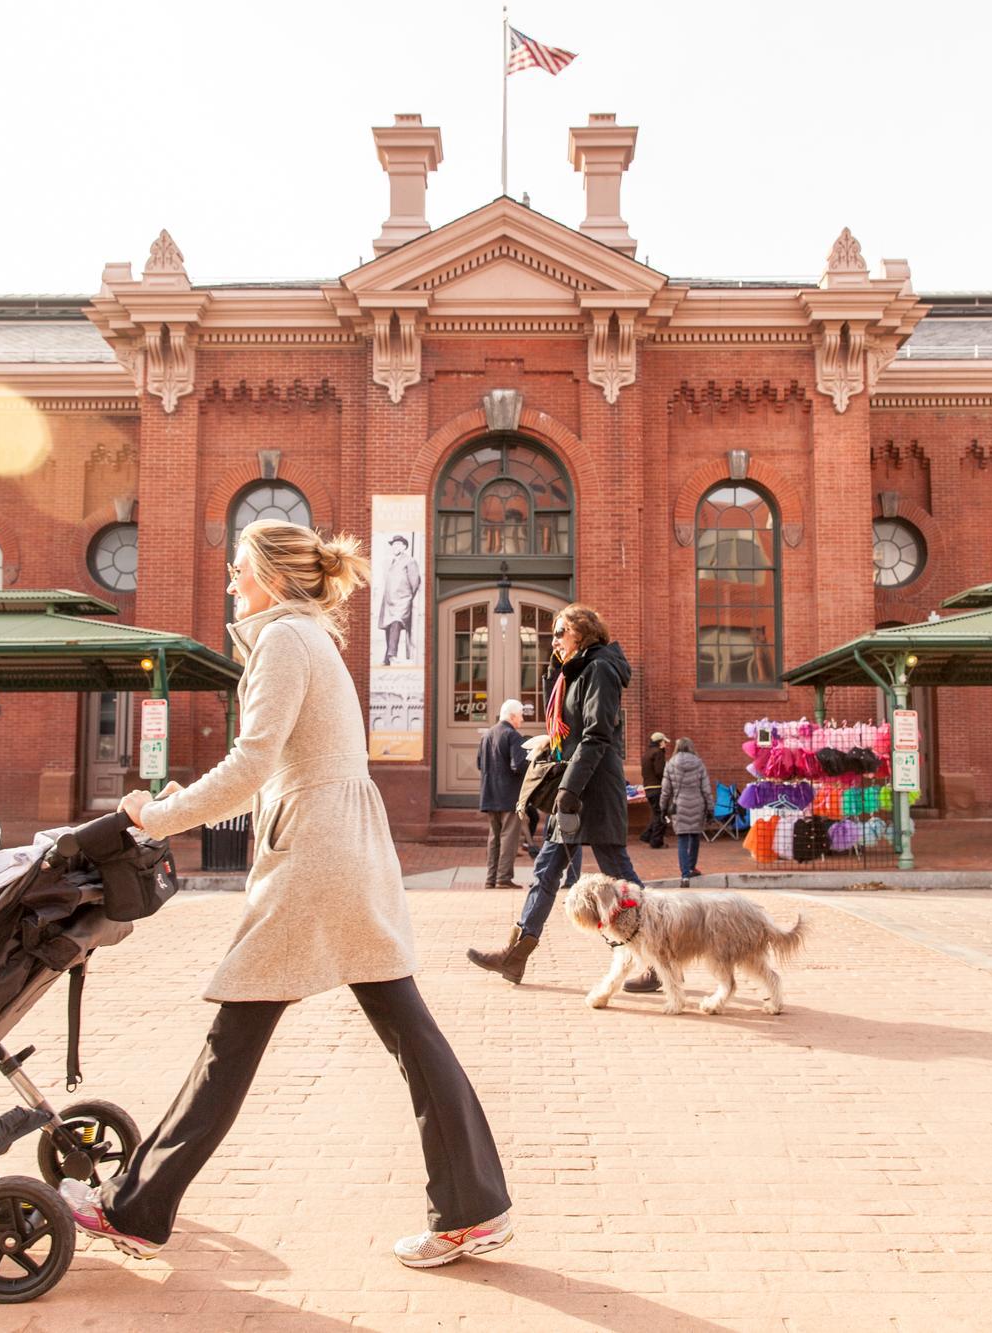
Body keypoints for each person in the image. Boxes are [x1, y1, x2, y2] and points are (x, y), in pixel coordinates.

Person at [67, 519, 513, 1269]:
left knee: (234, 1037)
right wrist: (188, 798)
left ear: (271, 577)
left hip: (313, 854)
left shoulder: (281, 640)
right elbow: (276, 762)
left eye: (239, 570)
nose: (231, 582)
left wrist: (162, 815)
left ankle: (135, 1208)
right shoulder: (309, 637)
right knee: (404, 1027)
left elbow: (250, 763)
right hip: (339, 843)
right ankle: (475, 1207)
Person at [469, 603, 654, 991]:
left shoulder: (600, 669)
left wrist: (569, 787)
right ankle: (515, 955)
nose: (553, 639)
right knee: (546, 872)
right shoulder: (576, 670)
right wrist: (558, 670)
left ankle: (656, 958)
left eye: (559, 632)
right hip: (573, 789)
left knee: (620, 877)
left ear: (581, 633)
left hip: (592, 789)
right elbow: (567, 732)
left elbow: (597, 735)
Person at [477, 700, 528, 890]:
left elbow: (479, 764)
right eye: (521, 715)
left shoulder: (487, 735)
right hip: (509, 796)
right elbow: (518, 765)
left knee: (494, 837)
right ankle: (504, 878)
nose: (522, 719)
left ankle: (491, 878)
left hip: (490, 794)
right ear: (512, 716)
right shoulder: (513, 736)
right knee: (509, 838)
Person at [659, 737, 713, 882]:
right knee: (695, 836)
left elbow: (665, 790)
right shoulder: (699, 763)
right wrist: (710, 807)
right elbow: (706, 789)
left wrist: (662, 808)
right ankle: (691, 867)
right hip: (698, 803)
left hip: (679, 805)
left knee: (682, 839)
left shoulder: (670, 764)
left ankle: (684, 875)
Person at [376, 534, 421, 667]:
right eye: (394, 545)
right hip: (389, 601)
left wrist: (407, 597)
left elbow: (415, 582)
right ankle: (387, 657)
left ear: (404, 546)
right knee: (388, 627)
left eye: (398, 544)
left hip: (402, 600)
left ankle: (392, 655)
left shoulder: (409, 561)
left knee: (396, 623)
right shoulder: (392, 562)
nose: (395, 547)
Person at [640, 731, 670, 849]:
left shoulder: (647, 754)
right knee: (661, 814)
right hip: (657, 787)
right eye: (664, 742)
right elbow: (659, 771)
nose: (665, 745)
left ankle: (647, 835)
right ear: (659, 742)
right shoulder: (658, 753)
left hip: (648, 787)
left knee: (656, 813)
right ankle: (656, 841)